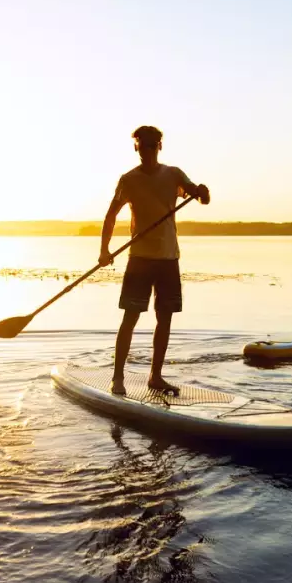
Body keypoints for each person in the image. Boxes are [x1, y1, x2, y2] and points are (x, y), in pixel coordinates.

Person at [99, 126, 210, 396]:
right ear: (135, 147)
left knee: (165, 318)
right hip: (140, 258)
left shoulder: (173, 174)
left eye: (152, 144)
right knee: (131, 318)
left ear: (159, 146)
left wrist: (203, 192)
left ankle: (155, 376)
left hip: (168, 258)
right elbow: (111, 215)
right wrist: (104, 250)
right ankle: (117, 378)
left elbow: (201, 198)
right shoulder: (128, 180)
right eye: (142, 145)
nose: (147, 149)